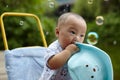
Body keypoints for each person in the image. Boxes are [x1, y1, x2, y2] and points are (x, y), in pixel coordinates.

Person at [39, 12, 87, 80]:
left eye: (81, 35)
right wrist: (68, 51)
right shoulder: (54, 47)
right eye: (73, 32)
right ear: (58, 32)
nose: (77, 38)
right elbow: (52, 64)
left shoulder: (78, 51)